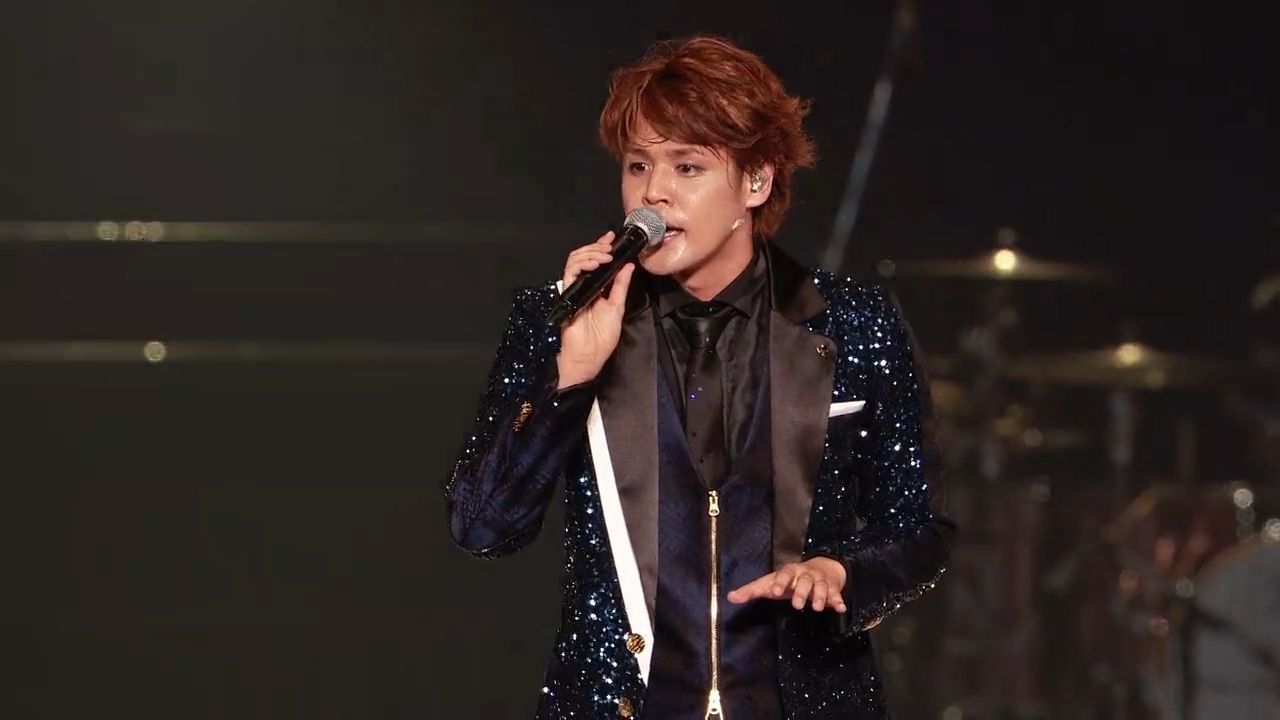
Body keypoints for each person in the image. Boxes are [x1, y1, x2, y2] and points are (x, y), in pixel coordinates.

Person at [445, 35, 954, 720]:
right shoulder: (562, 317)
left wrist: (842, 573)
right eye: (637, 166)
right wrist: (572, 374)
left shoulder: (853, 323)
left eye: (687, 167)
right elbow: (481, 526)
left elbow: (918, 526)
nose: (652, 193)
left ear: (756, 181)